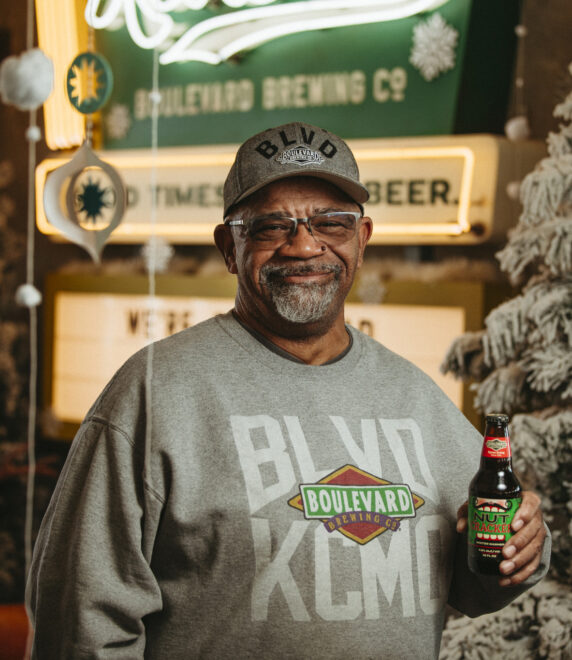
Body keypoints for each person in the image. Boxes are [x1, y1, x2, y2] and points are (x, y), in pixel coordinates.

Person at [27, 122, 550, 659]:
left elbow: (480, 576)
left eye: (332, 223)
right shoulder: (155, 391)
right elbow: (80, 615)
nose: (304, 245)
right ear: (230, 247)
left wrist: (522, 548)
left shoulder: (415, 397)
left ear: (363, 238)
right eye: (271, 227)